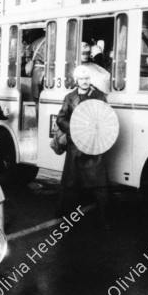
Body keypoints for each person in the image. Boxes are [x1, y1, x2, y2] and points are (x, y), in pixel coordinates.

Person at [56, 65, 111, 228]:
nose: (85, 81)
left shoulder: (100, 96)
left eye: (87, 78)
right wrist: (74, 129)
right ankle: (68, 219)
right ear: (77, 80)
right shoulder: (69, 98)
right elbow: (61, 118)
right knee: (72, 184)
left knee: (100, 184)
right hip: (75, 145)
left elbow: (107, 116)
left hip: (95, 144)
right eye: (82, 79)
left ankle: (105, 219)